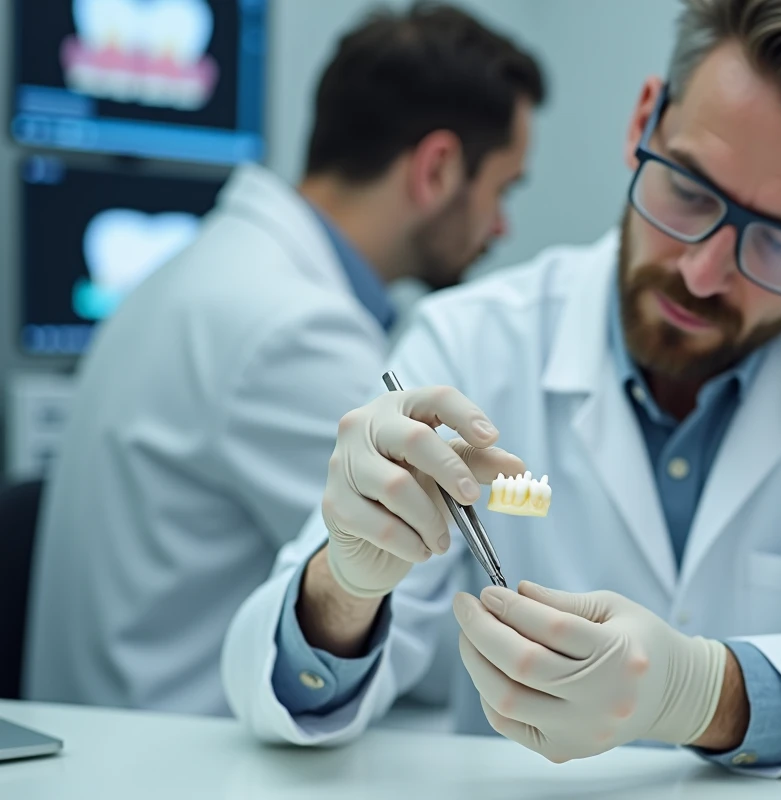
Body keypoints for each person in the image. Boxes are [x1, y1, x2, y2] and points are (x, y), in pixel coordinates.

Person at [222, 0, 781, 786]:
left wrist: (704, 693)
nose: (701, 272)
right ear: (644, 123)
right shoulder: (468, 339)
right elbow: (277, 690)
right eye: (690, 190)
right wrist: (345, 587)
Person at [24, 2, 545, 716]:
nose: (503, 226)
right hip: (178, 757)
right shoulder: (291, 331)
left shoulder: (213, 271)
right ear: (438, 168)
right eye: (503, 190)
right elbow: (417, 639)